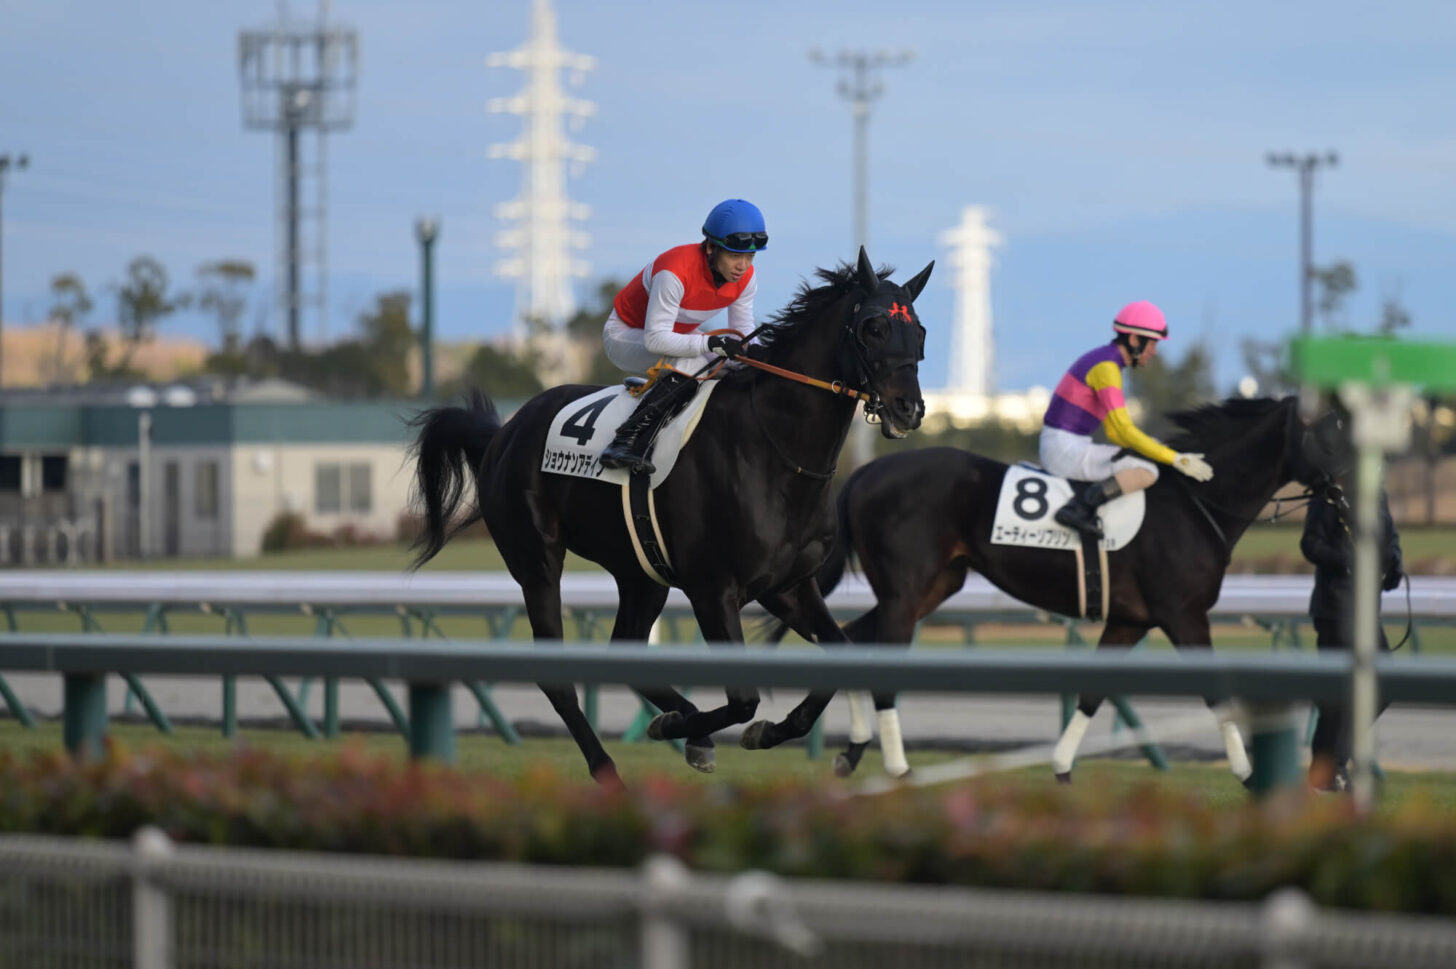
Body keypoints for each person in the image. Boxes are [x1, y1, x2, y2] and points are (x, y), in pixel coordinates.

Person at [597, 199, 766, 474]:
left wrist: (758, 352)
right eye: (735, 255)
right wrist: (709, 342)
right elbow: (656, 340)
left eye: (750, 257)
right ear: (711, 247)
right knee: (697, 360)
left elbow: (743, 330)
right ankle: (625, 440)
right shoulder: (674, 271)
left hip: (675, 338)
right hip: (625, 336)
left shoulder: (746, 278)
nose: (743, 266)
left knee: (738, 364)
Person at [1039, 300, 1215, 539]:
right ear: (1134, 340)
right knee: (1146, 471)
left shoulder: (1106, 362)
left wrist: (1155, 447)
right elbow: (1123, 430)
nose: (1154, 352)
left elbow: (1113, 432)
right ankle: (1079, 509)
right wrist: (1175, 459)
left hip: (1067, 444)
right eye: (1152, 343)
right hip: (1063, 449)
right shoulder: (1106, 368)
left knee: (1143, 455)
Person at [1301, 480, 1404, 792]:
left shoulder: (1377, 491)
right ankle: (1330, 769)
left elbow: (1389, 536)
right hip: (1335, 608)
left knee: (1376, 687)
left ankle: (1329, 766)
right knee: (1345, 692)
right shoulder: (1328, 493)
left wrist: (1394, 564)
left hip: (1366, 607)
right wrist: (1350, 563)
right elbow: (1311, 544)